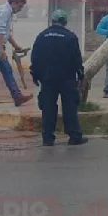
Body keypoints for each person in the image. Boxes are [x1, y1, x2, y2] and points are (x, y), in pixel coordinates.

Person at [30, 10, 88, 146]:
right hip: (67, 78)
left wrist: (35, 75)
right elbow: (77, 60)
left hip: (47, 78)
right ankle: (74, 136)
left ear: (52, 21)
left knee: (48, 107)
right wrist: (80, 75)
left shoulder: (41, 36)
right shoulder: (70, 37)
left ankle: (47, 138)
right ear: (65, 22)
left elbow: (36, 58)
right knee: (69, 106)